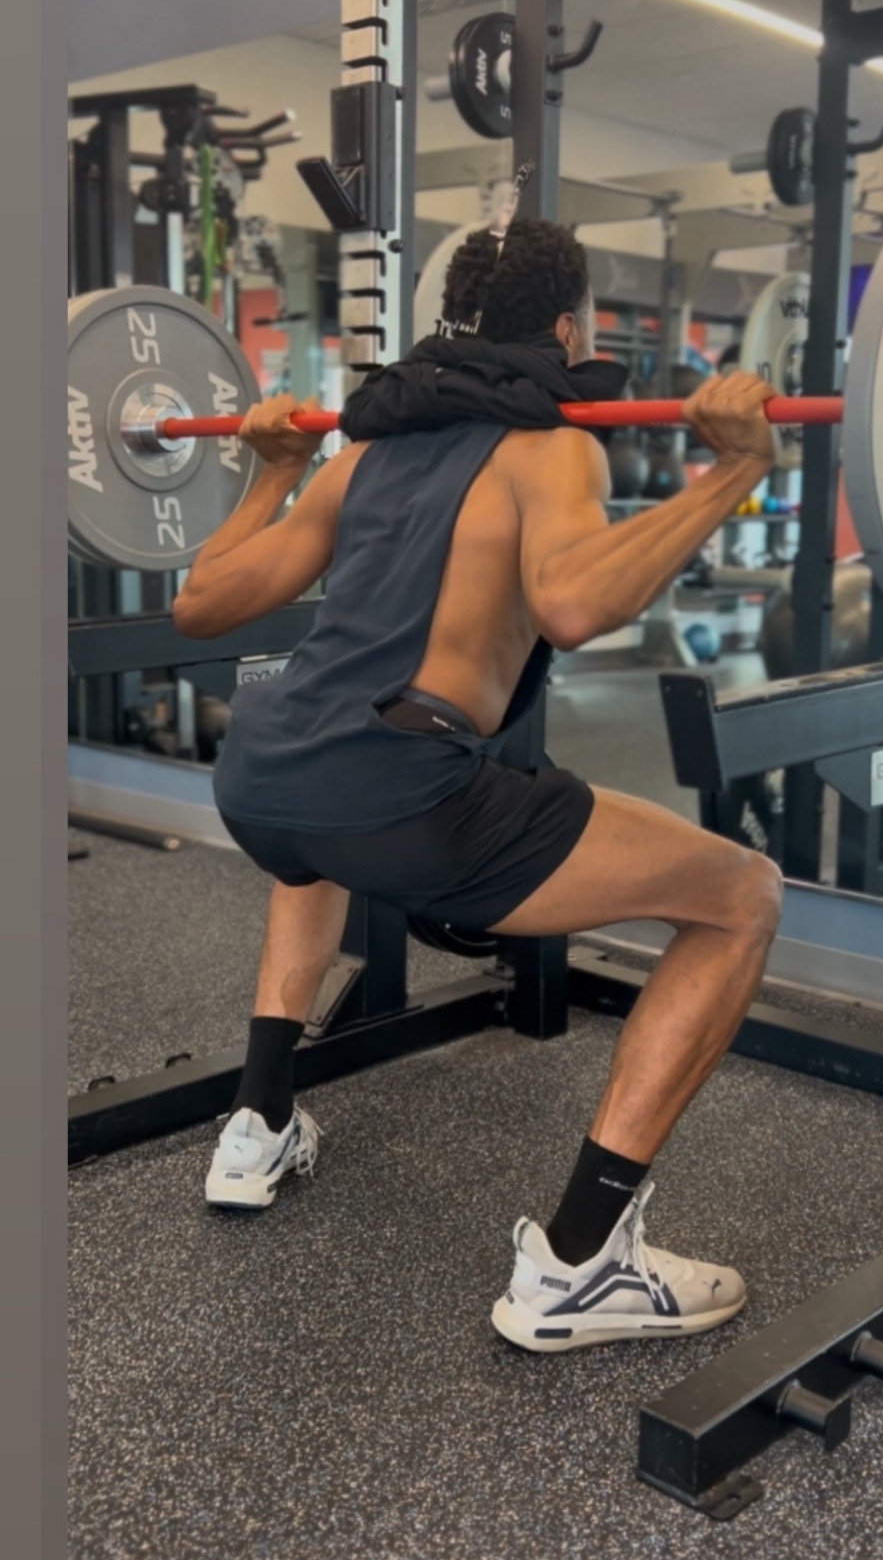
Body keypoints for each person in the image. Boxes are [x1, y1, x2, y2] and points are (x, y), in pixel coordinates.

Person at [173, 216, 783, 1353]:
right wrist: (736, 470)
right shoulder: (552, 449)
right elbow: (575, 606)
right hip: (405, 794)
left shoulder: (361, 458)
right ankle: (581, 1264)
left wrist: (273, 475)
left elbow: (199, 602)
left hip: (262, 776)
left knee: (318, 836)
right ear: (567, 330)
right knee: (742, 894)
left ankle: (257, 1121)